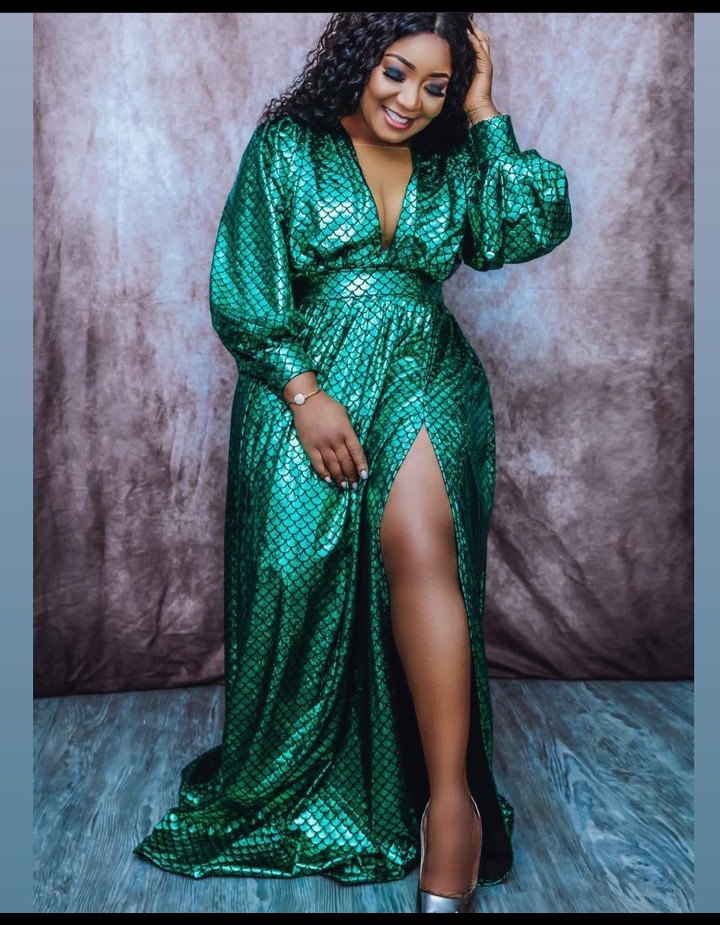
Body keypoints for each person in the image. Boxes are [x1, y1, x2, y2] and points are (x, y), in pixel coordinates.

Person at [133, 12, 572, 914]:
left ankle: (450, 808)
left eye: (437, 86)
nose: (411, 100)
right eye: (396, 72)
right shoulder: (288, 147)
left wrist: (485, 113)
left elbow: (525, 226)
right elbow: (243, 286)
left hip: (424, 371)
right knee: (297, 571)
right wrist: (303, 392)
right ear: (360, 58)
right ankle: (316, 770)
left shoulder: (456, 161)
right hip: (306, 379)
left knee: (422, 543)